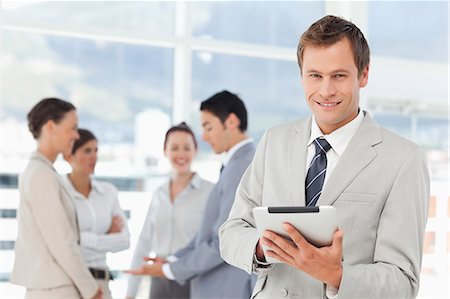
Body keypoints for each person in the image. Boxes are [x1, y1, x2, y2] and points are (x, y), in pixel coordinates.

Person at [219, 15, 430, 299]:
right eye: (315, 76)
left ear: (363, 75)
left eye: (339, 76)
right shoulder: (275, 141)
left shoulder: (404, 160)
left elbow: (402, 283)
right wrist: (262, 247)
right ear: (302, 76)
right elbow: (232, 231)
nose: (326, 90)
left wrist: (336, 275)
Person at [126, 91, 256, 299]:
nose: (204, 136)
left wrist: (170, 269)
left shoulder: (241, 166)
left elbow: (222, 240)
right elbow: (207, 234)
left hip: (225, 288)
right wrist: (173, 261)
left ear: (231, 122)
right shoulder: (233, 165)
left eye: (208, 127)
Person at [10, 98, 102, 299]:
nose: (76, 135)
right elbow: (62, 241)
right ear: (50, 126)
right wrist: (91, 290)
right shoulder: (41, 174)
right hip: (55, 289)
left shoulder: (42, 171)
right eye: (72, 128)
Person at [125, 122, 214, 299]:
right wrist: (130, 294)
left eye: (186, 148)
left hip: (192, 280)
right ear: (165, 151)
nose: (181, 154)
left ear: (195, 151)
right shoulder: (159, 194)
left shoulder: (210, 192)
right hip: (158, 281)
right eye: (174, 148)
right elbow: (144, 242)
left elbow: (212, 243)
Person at [62, 128, 130, 299]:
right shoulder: (60, 192)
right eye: (87, 150)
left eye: (96, 150)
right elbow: (62, 241)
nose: (94, 156)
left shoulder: (108, 192)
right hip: (69, 284)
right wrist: (107, 235)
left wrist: (81, 238)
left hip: (102, 285)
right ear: (69, 156)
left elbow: (124, 241)